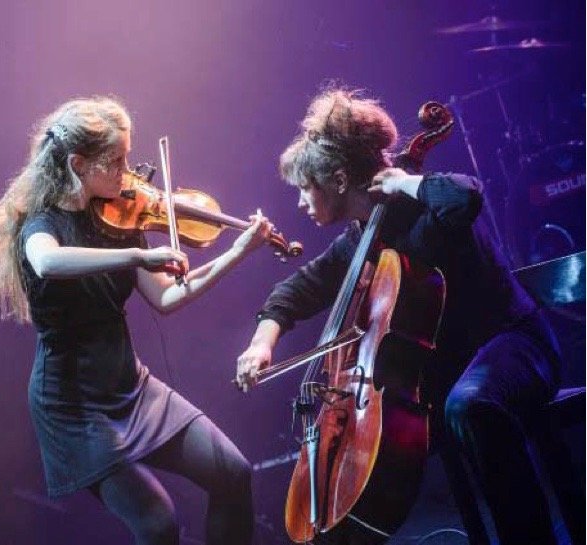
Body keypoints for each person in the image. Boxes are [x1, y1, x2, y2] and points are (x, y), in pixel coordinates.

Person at [235, 87, 565, 545]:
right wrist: (261, 343)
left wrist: (402, 181)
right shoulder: (358, 242)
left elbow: (465, 196)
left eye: (305, 188)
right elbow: (294, 291)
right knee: (407, 432)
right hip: (448, 374)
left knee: (468, 406)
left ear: (339, 179)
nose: (300, 202)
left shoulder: (425, 205)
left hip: (514, 345)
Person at [0, 96, 272, 545]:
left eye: (127, 158)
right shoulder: (42, 224)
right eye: (115, 162)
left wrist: (235, 253)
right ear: (78, 164)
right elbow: (48, 263)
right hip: (74, 407)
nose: (127, 172)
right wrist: (137, 254)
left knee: (234, 473)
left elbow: (167, 296)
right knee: (158, 525)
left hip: (131, 387)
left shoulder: (120, 218)